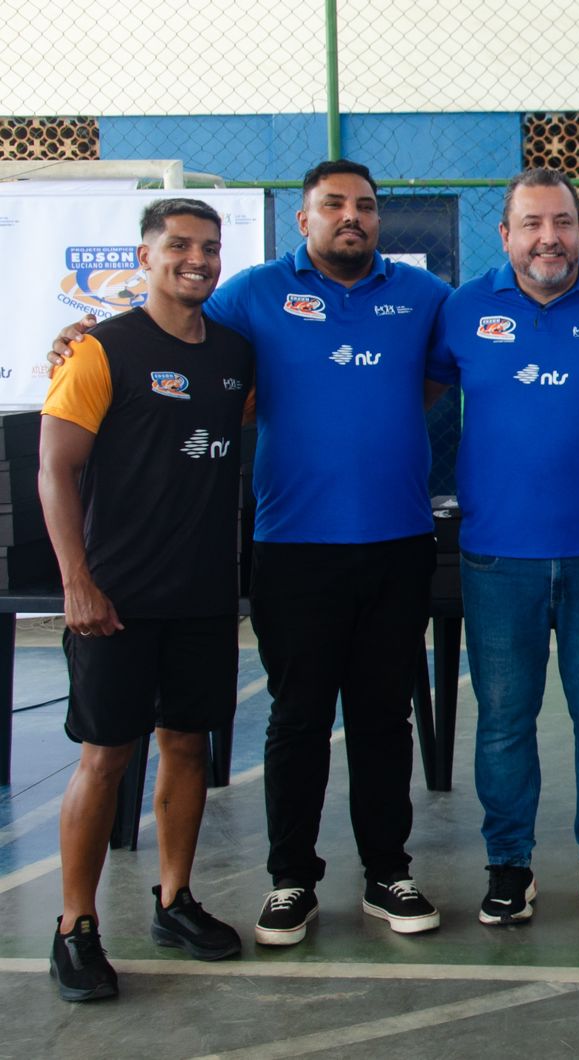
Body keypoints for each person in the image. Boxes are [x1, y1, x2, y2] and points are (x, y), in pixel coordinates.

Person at [52, 160, 451, 944]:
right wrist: (79, 337)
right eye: (333, 204)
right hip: (292, 546)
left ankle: (388, 874)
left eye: (366, 206)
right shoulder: (252, 293)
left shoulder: (425, 295)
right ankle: (291, 880)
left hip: (398, 541)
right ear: (302, 220)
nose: (352, 216)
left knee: (383, 717)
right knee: (297, 719)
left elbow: (444, 370)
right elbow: (170, 327)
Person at [426, 168, 579, 925]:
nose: (548, 238)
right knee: (503, 721)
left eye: (562, 222)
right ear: (505, 235)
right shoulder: (463, 310)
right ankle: (508, 863)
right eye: (531, 224)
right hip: (498, 558)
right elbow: (422, 388)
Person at [40, 198, 252, 1000]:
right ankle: (75, 925)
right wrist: (77, 582)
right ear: (144, 256)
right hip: (116, 597)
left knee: (188, 746)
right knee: (105, 757)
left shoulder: (234, 354)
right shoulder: (102, 350)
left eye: (210, 247)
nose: (197, 259)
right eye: (179, 246)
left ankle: (175, 900)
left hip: (201, 593)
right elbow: (54, 469)